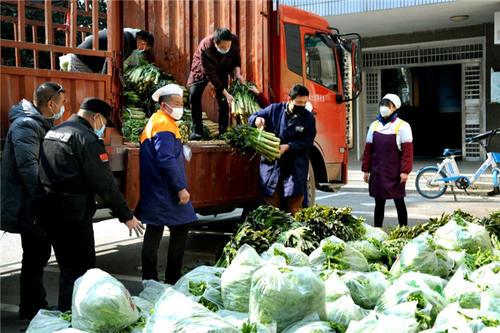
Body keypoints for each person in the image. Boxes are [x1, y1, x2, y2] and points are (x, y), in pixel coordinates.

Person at [37, 97, 144, 311]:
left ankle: (66, 316)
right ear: (96, 117)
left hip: (49, 209)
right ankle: (73, 317)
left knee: (67, 268)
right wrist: (126, 215)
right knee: (81, 271)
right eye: (103, 121)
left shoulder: (54, 132)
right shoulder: (86, 139)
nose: (102, 128)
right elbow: (104, 183)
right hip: (74, 216)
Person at [0, 82, 66, 319]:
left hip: (31, 204)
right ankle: (32, 308)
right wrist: (44, 201)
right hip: (29, 204)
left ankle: (33, 305)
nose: (63, 108)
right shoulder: (27, 125)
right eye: (62, 103)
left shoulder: (34, 123)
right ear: (51, 104)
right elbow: (29, 168)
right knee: (35, 256)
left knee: (36, 255)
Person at [136, 84, 197, 284]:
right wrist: (180, 187)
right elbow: (166, 159)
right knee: (181, 227)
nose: (181, 107)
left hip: (155, 186)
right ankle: (172, 279)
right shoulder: (163, 124)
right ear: (164, 105)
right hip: (165, 188)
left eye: (182, 103)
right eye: (177, 104)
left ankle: (150, 279)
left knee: (154, 230)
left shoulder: (158, 120)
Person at [248, 84, 317, 215]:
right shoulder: (274, 109)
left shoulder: (308, 118)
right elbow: (252, 117)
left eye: (304, 103)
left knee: (295, 207)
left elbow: (308, 143)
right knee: (271, 208)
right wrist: (256, 120)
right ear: (289, 99)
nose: (301, 106)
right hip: (272, 167)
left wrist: (289, 146)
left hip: (295, 168)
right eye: (298, 102)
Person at [361, 93, 413, 228]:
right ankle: (377, 230)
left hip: (395, 172)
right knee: (379, 203)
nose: (383, 108)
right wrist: (366, 170)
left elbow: (407, 152)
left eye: (387, 105)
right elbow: (368, 150)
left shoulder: (403, 126)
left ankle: (404, 230)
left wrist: (405, 171)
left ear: (395, 108)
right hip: (377, 170)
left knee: (399, 201)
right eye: (382, 105)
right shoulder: (374, 125)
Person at [188, 28, 244, 139]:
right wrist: (226, 93)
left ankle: (223, 132)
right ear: (215, 43)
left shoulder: (234, 40)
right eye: (223, 47)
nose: (226, 48)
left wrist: (237, 73)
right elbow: (210, 74)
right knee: (194, 95)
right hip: (202, 67)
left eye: (228, 46)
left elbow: (236, 57)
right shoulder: (206, 46)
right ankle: (198, 131)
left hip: (222, 66)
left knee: (222, 100)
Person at [64, 28, 154, 73]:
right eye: (143, 45)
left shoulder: (129, 43)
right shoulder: (125, 39)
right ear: (139, 38)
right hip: (81, 60)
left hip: (87, 62)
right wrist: (105, 78)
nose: (141, 49)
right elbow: (110, 60)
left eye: (144, 49)